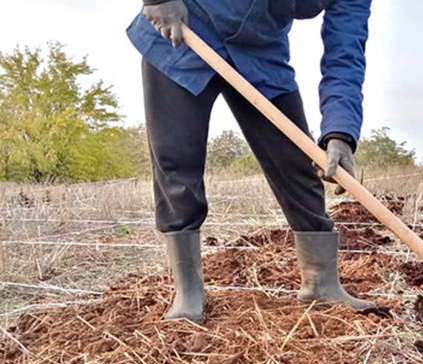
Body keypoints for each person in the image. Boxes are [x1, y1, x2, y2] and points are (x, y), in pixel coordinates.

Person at [126, 0, 375, 324]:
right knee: (176, 160)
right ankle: (188, 291)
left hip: (260, 50)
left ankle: (322, 285)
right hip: (185, 28)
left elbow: (346, 52)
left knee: (297, 165)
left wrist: (340, 131)